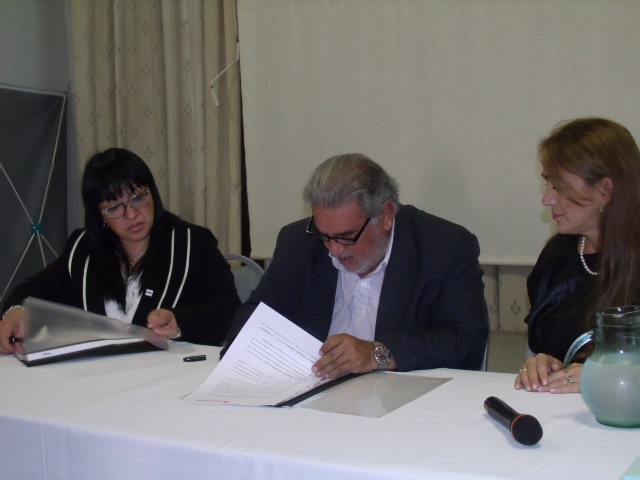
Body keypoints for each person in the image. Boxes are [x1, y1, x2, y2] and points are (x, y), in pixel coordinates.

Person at [221, 153, 489, 378]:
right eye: (324, 235)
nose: (334, 250)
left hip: (403, 400)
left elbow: (466, 343)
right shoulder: (298, 242)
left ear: (386, 215)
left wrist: (376, 353)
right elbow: (253, 317)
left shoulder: (445, 248)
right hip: (312, 394)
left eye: (346, 237)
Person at [0, 147, 240, 354]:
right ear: (99, 215)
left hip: (167, 374)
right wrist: (16, 310)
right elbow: (33, 290)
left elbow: (227, 308)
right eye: (114, 207)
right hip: (98, 375)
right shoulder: (84, 249)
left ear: (152, 192)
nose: (132, 214)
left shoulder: (191, 243)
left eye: (138, 198)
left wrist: (180, 322)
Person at [515, 117, 640, 393]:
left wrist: (605, 377)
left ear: (605, 190)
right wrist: (539, 363)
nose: (546, 199)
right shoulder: (558, 255)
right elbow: (540, 346)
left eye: (558, 186)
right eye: (547, 184)